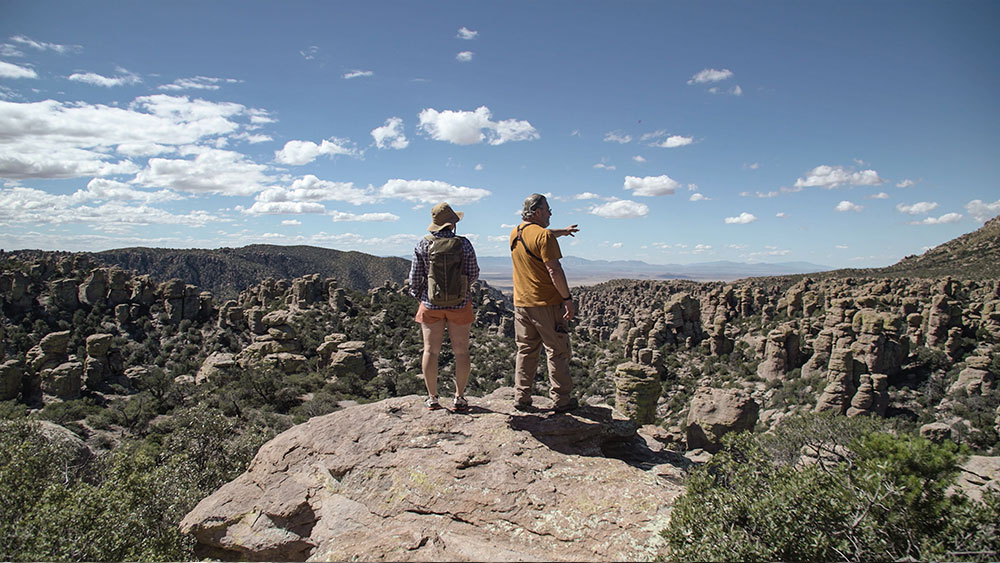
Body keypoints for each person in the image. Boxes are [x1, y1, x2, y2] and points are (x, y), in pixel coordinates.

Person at [509, 193, 580, 412]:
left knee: (526, 351)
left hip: (522, 305)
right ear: (538, 211)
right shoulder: (544, 237)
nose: (550, 213)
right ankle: (562, 400)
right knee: (557, 350)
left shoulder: (515, 232)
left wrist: (564, 232)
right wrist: (567, 299)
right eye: (548, 209)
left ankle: (522, 397)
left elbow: (542, 235)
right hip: (546, 304)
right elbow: (554, 270)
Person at [409, 202, 480, 412]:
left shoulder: (423, 244)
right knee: (461, 352)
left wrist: (423, 297)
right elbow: (473, 273)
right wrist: (462, 291)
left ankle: (432, 398)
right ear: (452, 224)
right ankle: (459, 398)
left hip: (431, 305)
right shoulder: (464, 244)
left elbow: (414, 279)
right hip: (460, 304)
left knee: (430, 351)